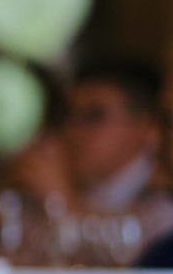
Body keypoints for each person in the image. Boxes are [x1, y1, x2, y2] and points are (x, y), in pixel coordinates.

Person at [12, 55, 173, 263]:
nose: (72, 130)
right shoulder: (86, 187)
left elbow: (135, 267)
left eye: (94, 116)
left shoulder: (161, 193)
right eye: (69, 115)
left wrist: (61, 202)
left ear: (146, 125)